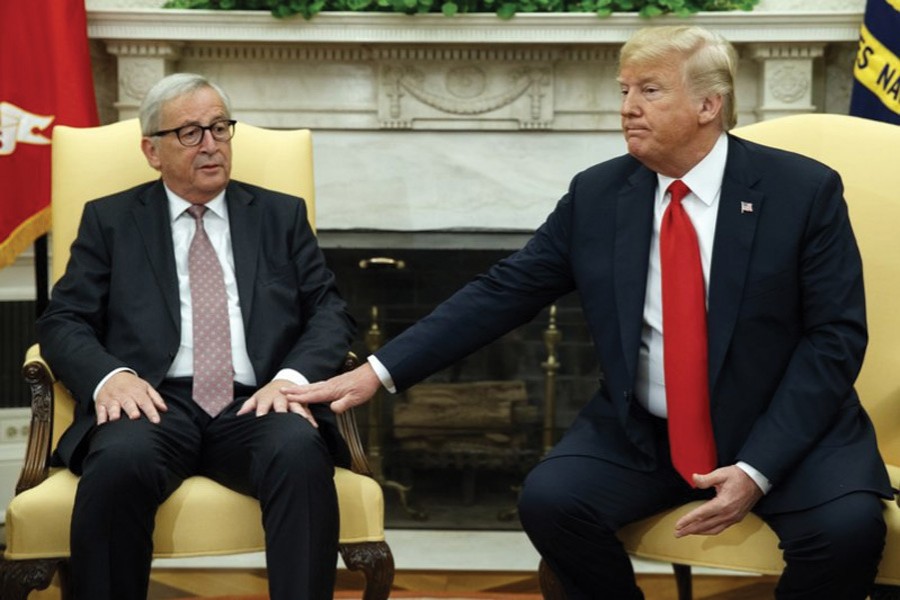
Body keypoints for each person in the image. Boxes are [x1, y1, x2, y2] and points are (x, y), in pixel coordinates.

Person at [286, 25, 894, 599]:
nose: (628, 106)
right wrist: (377, 371)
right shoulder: (600, 195)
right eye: (624, 90)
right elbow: (504, 291)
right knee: (552, 502)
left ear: (710, 105)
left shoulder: (802, 191)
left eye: (649, 90)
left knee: (846, 533)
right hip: (644, 435)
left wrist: (758, 467)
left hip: (785, 430)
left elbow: (834, 339)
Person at [37, 73, 356, 600]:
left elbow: (328, 311)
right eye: (190, 133)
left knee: (300, 451)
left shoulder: (280, 215)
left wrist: (291, 379)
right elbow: (62, 319)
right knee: (118, 462)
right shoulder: (111, 221)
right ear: (152, 150)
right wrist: (110, 378)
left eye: (219, 128)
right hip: (155, 401)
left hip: (258, 401)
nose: (210, 145)